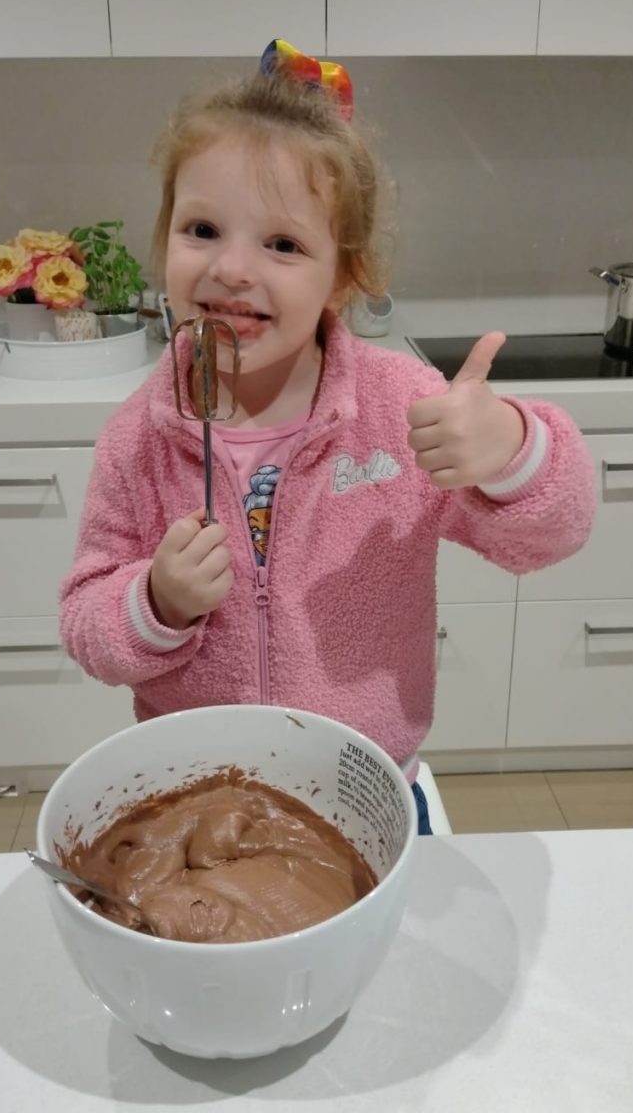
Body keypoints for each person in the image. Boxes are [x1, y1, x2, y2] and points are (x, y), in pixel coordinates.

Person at [60, 40, 596, 835]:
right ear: (164, 241)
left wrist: (513, 450)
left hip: (364, 787)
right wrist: (156, 603)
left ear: (342, 277)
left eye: (282, 245)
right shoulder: (139, 436)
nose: (233, 270)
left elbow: (553, 535)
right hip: (198, 797)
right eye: (202, 228)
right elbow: (86, 622)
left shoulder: (402, 409)